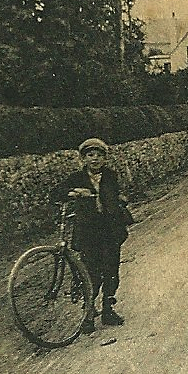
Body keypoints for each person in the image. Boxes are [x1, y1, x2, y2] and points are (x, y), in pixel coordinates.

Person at [48, 138, 134, 331]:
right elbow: (55, 194)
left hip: (110, 231)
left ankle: (107, 310)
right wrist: (74, 192)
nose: (95, 159)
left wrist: (119, 200)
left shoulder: (111, 176)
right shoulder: (77, 178)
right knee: (91, 273)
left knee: (111, 270)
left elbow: (114, 195)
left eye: (99, 155)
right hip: (89, 232)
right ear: (83, 159)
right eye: (90, 155)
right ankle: (88, 314)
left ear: (105, 158)